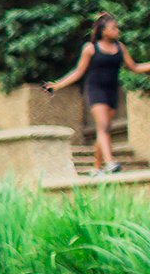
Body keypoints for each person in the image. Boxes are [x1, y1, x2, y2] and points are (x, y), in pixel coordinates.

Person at [46, 13, 145, 175]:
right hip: (95, 90)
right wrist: (58, 85)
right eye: (113, 28)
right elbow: (78, 72)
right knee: (104, 126)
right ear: (103, 31)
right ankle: (110, 162)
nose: (117, 30)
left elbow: (134, 67)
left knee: (104, 129)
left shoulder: (120, 47)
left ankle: (96, 168)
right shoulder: (91, 49)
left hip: (112, 91)